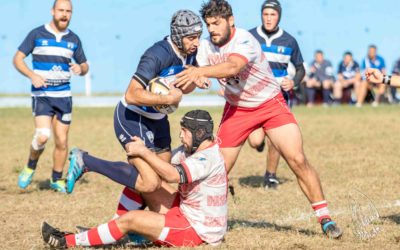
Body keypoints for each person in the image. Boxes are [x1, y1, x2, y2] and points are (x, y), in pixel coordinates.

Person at [174, 0, 342, 239]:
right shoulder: (204, 48)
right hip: (237, 110)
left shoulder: (244, 40)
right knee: (215, 168)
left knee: (297, 158)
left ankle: (325, 218)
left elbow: (232, 66)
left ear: (231, 21)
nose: (212, 29)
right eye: (208, 24)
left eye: (217, 23)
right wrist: (191, 81)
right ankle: (187, 217)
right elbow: (191, 83)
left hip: (270, 105)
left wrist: (201, 72)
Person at [65, 9, 206, 196]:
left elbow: (182, 88)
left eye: (198, 37)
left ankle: (126, 221)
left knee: (163, 175)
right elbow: (132, 94)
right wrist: (168, 99)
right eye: (191, 37)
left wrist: (193, 81)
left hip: (158, 119)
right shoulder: (156, 55)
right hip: (132, 117)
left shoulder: (189, 53)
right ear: (178, 36)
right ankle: (85, 160)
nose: (196, 42)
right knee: (149, 182)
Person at [41, 110, 228, 248]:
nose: (180, 135)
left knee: (130, 219)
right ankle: (109, 229)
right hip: (183, 211)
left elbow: (171, 175)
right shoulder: (190, 150)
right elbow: (154, 168)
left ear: (199, 133)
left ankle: (68, 241)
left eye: (184, 131)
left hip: (194, 230)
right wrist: (138, 153)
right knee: (144, 182)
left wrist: (143, 152)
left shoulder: (207, 157)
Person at [13, 0, 89, 192]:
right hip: (43, 95)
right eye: (61, 10)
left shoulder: (74, 39)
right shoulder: (37, 34)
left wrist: (81, 68)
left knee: (62, 141)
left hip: (64, 96)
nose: (64, 14)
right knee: (43, 136)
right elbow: (17, 59)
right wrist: (32, 75)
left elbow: (85, 66)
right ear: (52, 11)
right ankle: (30, 166)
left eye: (68, 11)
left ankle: (56, 179)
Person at [246, 0, 306, 189]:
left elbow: (301, 69)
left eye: (272, 14)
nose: (269, 18)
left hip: (278, 97)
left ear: (279, 16)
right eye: (266, 14)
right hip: (254, 96)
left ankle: (270, 175)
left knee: (276, 139)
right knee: (255, 141)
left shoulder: (289, 41)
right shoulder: (249, 36)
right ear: (261, 15)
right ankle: (260, 143)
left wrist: (293, 82)